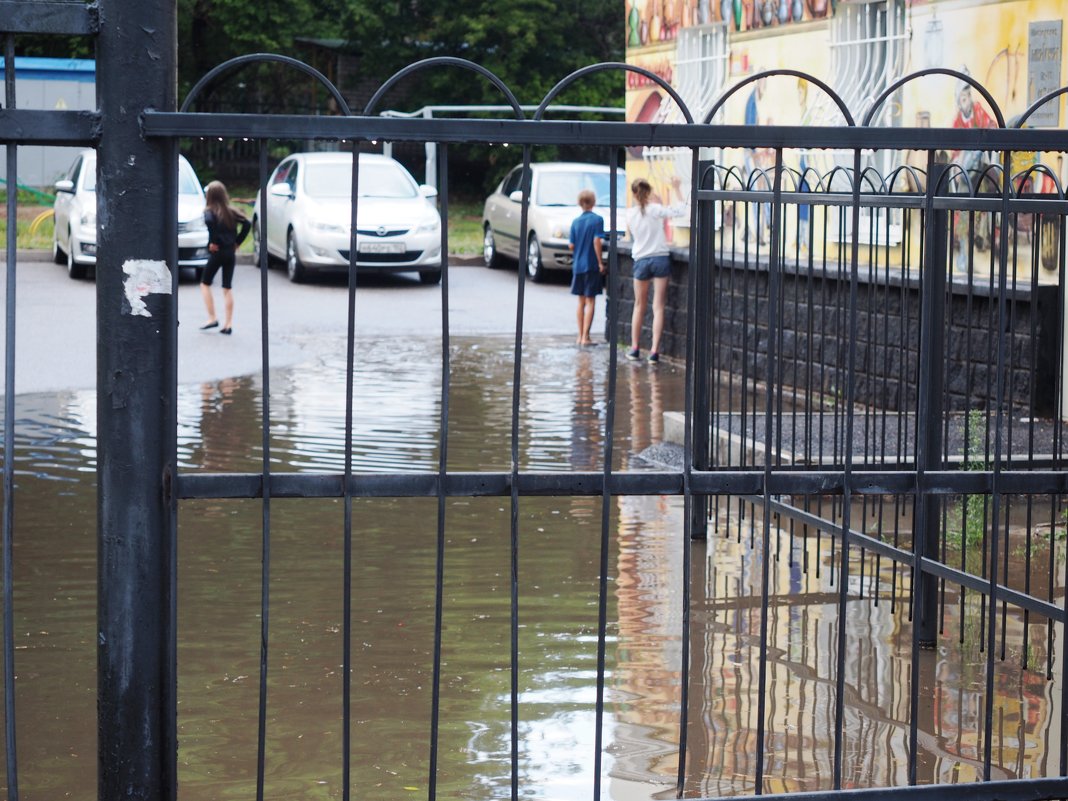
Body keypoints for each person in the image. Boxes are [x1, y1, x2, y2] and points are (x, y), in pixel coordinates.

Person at [625, 177, 687, 363]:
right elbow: (680, 210)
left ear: (634, 194)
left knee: (639, 305)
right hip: (660, 258)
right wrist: (676, 188)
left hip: (641, 260)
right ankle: (654, 351)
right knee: (658, 306)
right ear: (649, 192)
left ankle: (635, 348)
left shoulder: (630, 214)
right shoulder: (656, 210)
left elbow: (632, 234)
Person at [199, 180, 251, 335]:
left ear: (209, 196)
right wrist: (237, 242)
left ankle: (212, 318)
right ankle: (228, 324)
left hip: (218, 252)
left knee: (205, 283)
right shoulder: (231, 211)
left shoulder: (209, 212)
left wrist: (213, 242)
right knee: (227, 287)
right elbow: (247, 224)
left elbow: (209, 222)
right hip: (230, 252)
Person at [568, 189, 607, 347]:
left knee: (581, 301)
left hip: (577, 265)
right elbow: (597, 241)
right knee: (591, 301)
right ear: (593, 202)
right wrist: (600, 262)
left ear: (580, 203)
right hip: (590, 265)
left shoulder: (575, 222)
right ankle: (586, 337)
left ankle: (579, 336)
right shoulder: (597, 220)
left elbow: (571, 245)